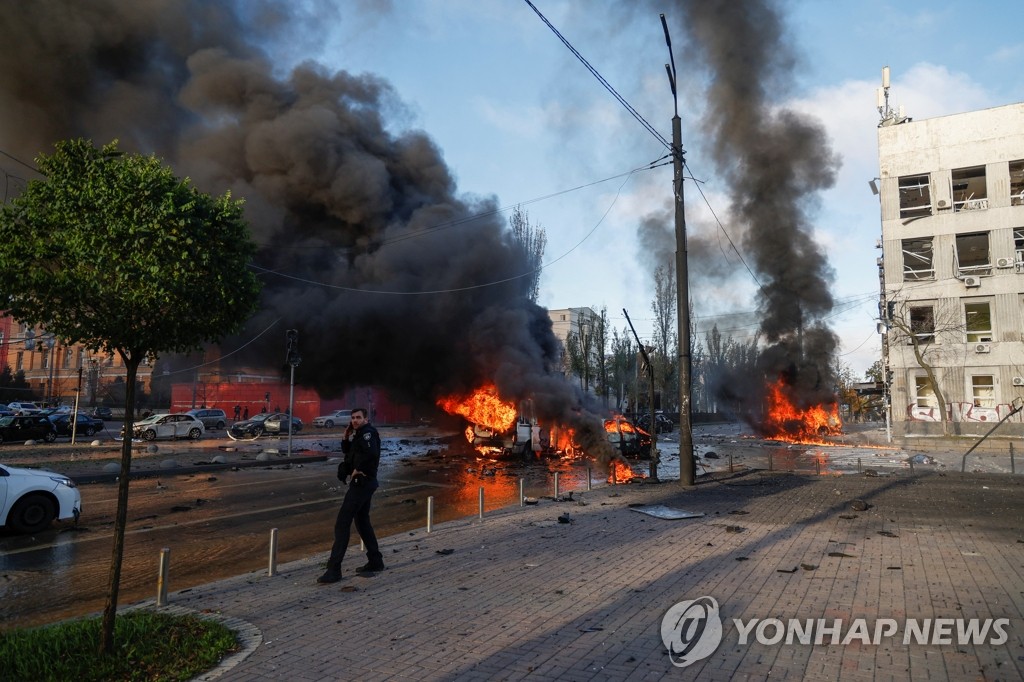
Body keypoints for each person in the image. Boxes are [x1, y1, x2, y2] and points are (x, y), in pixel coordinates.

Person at [318, 407, 385, 583]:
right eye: (353, 418)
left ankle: (334, 570)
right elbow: (349, 453)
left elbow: (371, 454)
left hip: (362, 483)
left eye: (358, 417)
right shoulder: (358, 434)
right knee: (362, 522)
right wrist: (345, 436)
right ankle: (375, 560)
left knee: (342, 524)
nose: (355, 420)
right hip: (364, 484)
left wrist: (358, 469)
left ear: (366, 418)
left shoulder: (368, 433)